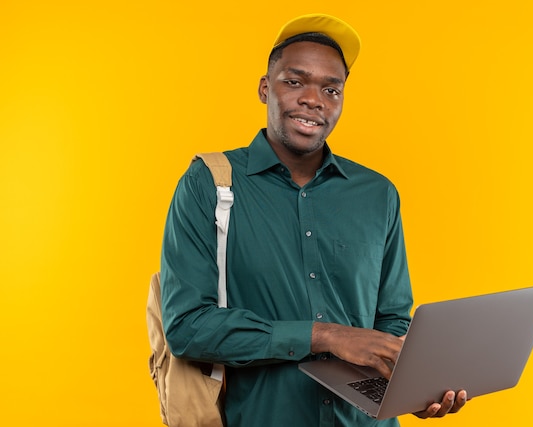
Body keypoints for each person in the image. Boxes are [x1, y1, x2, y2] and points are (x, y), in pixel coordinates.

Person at [160, 13, 467, 426]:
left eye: (331, 89)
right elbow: (186, 327)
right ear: (265, 89)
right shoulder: (208, 185)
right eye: (294, 81)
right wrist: (326, 335)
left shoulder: (378, 194)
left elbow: (391, 322)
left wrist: (410, 386)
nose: (313, 99)